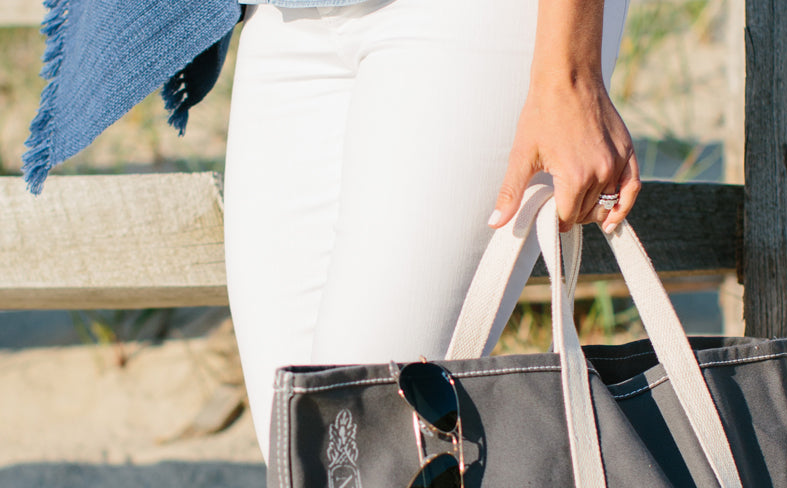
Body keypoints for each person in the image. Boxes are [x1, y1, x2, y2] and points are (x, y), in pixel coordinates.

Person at [24, 0, 639, 461]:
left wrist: (570, 75)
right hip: (292, 19)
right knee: (302, 464)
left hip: (473, 18)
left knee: (367, 436)